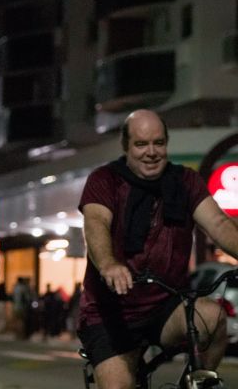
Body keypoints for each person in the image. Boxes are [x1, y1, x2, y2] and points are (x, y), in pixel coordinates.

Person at [77, 109, 238, 389]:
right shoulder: (105, 180)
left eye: (158, 143)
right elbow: (96, 224)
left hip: (166, 305)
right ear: (126, 147)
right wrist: (109, 264)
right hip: (112, 312)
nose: (151, 152)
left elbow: (219, 224)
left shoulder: (185, 182)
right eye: (141, 144)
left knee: (213, 318)